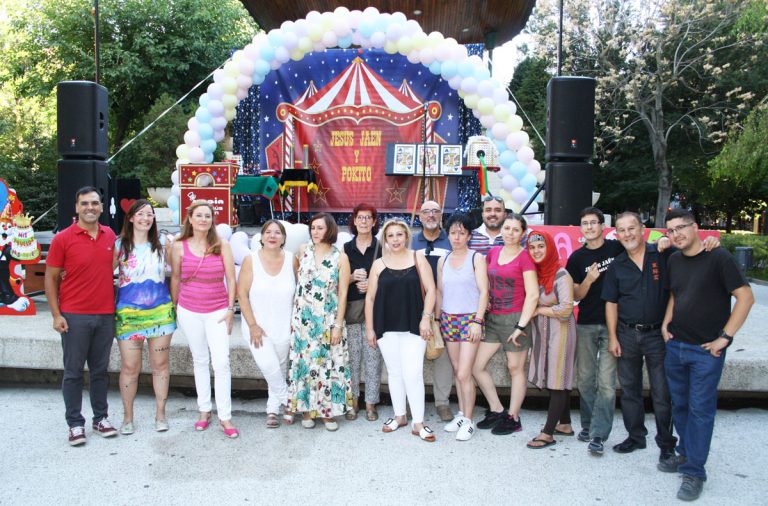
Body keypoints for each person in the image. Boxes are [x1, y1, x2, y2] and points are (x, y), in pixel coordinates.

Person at [659, 209, 754, 501]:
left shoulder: (719, 258)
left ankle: (695, 472)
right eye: (671, 231)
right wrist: (666, 323)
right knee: (682, 406)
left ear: (696, 227)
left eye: (681, 228)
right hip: (676, 346)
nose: (676, 235)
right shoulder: (674, 259)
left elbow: (746, 297)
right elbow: (675, 293)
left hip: (705, 351)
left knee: (701, 411)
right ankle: (687, 455)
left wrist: (725, 338)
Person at [45, 186, 118, 446]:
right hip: (74, 316)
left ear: (101, 206)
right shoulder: (63, 239)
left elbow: (112, 268)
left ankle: (101, 418)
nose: (90, 207)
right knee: (73, 373)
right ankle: (75, 424)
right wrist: (56, 314)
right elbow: (51, 278)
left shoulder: (110, 235)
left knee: (100, 371)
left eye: (95, 203)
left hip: (105, 314)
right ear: (76, 207)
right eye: (85, 203)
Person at [602, 211, 676, 459]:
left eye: (631, 228)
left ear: (642, 229)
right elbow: (611, 303)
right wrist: (612, 337)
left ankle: (666, 444)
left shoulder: (664, 255)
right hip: (627, 335)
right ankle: (636, 437)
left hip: (658, 335)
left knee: (662, 393)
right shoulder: (617, 266)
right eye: (621, 230)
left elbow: (678, 287)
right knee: (630, 390)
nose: (627, 234)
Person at [170, 200, 239, 438]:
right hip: (189, 310)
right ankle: (204, 410)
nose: (203, 220)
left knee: (221, 362)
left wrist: (231, 308)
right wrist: (175, 306)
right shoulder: (178, 246)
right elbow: (176, 278)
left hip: (218, 311)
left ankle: (225, 416)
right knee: (200, 360)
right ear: (190, 219)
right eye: (198, 215)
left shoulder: (222, 245)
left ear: (213, 220)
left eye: (207, 216)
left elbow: (231, 279)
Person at [365, 219, 437, 442]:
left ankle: (418, 422)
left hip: (415, 326)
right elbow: (370, 298)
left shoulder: (418, 258)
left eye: (399, 235)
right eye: (390, 236)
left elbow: (432, 290)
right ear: (385, 239)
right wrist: (370, 329)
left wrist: (426, 318)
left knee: (413, 373)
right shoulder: (378, 264)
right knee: (394, 372)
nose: (395, 239)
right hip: (385, 326)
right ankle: (400, 415)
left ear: (406, 236)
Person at [114, 199, 176, 435]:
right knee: (130, 367)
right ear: (130, 218)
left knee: (160, 365)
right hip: (128, 315)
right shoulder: (119, 245)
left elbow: (177, 272)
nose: (145, 218)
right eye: (140, 214)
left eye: (150, 214)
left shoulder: (163, 242)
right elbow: (103, 271)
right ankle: (127, 416)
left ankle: (161, 414)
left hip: (160, 312)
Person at [473, 214, 539, 435]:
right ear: (501, 230)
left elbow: (532, 295)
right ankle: (497, 409)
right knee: (476, 366)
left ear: (522, 234)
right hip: (493, 318)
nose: (510, 233)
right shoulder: (493, 253)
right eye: (507, 228)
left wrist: (521, 326)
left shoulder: (525, 258)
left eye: (515, 230)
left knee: (515, 368)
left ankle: (513, 417)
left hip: (515, 319)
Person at [565, 207, 624, 455]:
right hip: (587, 323)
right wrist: (589, 280)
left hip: (615, 325)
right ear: (581, 229)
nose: (589, 227)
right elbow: (575, 295)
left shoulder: (616, 249)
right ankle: (588, 426)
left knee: (607, 383)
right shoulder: (576, 259)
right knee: (586, 380)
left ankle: (599, 435)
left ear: (602, 226)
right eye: (585, 223)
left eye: (593, 223)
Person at [287, 212, 352, 431]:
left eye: (320, 228)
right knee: (305, 365)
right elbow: (299, 285)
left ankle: (327, 412)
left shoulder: (340, 257)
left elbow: (342, 293)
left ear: (330, 230)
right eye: (313, 228)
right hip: (303, 322)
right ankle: (306, 409)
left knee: (328, 365)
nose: (315, 232)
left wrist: (338, 325)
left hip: (328, 320)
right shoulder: (303, 251)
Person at [237, 219, 298, 428]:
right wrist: (253, 325)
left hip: (284, 325)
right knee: (270, 367)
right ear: (261, 237)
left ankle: (272, 410)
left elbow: (300, 294)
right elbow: (242, 295)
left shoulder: (292, 259)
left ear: (283, 238)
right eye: (268, 232)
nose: (272, 236)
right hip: (257, 327)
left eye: (277, 233)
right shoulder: (250, 260)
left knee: (279, 369)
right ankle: (290, 403)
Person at [436, 213, 488, 440]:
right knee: (458, 371)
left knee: (465, 372)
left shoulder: (476, 258)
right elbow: (439, 292)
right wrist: (437, 320)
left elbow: (484, 291)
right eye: (453, 232)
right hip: (448, 319)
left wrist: (478, 320)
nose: (456, 237)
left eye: (461, 233)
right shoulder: (443, 260)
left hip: (470, 320)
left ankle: (468, 420)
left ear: (469, 235)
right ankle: (460, 413)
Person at [525, 230, 578, 449]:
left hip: (561, 332)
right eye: (532, 247)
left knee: (557, 381)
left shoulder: (561, 274)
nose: (536, 251)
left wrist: (539, 310)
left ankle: (547, 433)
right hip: (543, 334)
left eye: (541, 247)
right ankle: (564, 423)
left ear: (550, 248)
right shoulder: (536, 273)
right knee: (556, 378)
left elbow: (566, 309)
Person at [411, 199, 454, 422]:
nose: (430, 215)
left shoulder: (451, 241)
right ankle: (410, 402)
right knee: (411, 356)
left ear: (441, 216)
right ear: (419, 217)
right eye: (426, 212)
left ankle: (442, 403)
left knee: (442, 356)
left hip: (445, 307)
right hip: (413, 305)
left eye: (435, 211)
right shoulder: (410, 242)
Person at [343, 204, 383, 422]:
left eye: (369, 217)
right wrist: (351, 277)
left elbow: (389, 276)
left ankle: (370, 404)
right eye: (360, 217)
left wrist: (372, 285)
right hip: (350, 311)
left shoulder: (382, 247)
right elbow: (338, 281)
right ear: (354, 221)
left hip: (374, 313)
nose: (364, 221)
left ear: (374, 222)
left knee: (372, 360)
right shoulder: (346, 249)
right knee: (352, 360)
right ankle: (353, 402)